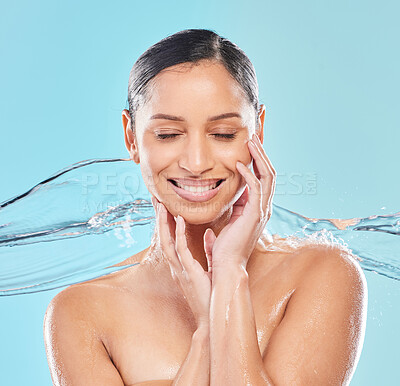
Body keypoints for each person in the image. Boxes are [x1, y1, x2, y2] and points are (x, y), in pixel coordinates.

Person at [43, 29, 367, 386]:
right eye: (168, 134)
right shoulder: (81, 312)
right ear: (130, 137)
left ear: (257, 130)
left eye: (224, 134)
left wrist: (229, 272)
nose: (196, 163)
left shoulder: (323, 274)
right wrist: (207, 333)